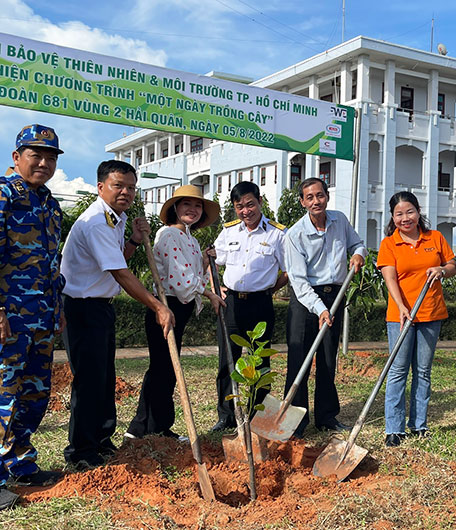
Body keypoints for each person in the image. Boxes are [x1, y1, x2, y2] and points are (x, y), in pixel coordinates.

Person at [0, 124, 66, 511]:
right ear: (16, 157)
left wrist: (56, 311)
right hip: (2, 322)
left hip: (39, 321)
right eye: (35, 155)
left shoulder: (49, 204)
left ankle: (21, 464)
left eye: (50, 157)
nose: (43, 162)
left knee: (34, 399)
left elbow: (51, 265)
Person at [60, 160, 174, 471]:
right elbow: (121, 273)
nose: (126, 192)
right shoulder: (97, 221)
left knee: (104, 377)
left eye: (131, 187)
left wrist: (135, 240)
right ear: (100, 187)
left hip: (100, 308)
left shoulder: (115, 220)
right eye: (118, 186)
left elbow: (115, 259)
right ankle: (81, 451)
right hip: (82, 308)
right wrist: (158, 305)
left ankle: (101, 438)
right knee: (88, 380)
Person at [124, 185, 224, 440]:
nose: (193, 210)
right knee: (163, 368)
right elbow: (181, 282)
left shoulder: (190, 239)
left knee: (165, 368)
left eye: (198, 206)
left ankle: (149, 427)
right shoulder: (168, 234)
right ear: (175, 209)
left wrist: (202, 259)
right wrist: (209, 293)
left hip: (181, 307)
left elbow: (193, 274)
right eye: (186, 205)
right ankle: (147, 427)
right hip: (166, 306)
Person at [283, 177, 366, 437]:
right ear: (302, 202)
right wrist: (319, 309)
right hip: (305, 301)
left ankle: (327, 417)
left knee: (328, 359)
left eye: (320, 195)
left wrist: (358, 255)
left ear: (326, 196)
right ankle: (295, 421)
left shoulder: (339, 220)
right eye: (310, 197)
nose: (316, 201)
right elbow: (298, 281)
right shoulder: (295, 234)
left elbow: (358, 243)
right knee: (300, 359)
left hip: (335, 294)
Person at [377, 192, 456, 447]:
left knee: (423, 371)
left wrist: (442, 270)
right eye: (399, 214)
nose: (405, 218)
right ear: (392, 217)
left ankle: (419, 425)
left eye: (409, 212)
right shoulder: (389, 244)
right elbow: (390, 278)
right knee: (398, 371)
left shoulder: (435, 238)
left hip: (431, 313)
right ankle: (394, 429)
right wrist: (401, 306)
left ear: (418, 211)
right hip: (400, 317)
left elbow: (452, 266)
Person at [210, 181, 288, 432]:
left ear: (260, 202)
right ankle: (226, 416)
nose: (246, 211)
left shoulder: (277, 234)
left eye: (250, 204)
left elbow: (288, 271)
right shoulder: (229, 232)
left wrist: (269, 290)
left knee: (260, 361)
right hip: (230, 303)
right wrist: (215, 289)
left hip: (260, 305)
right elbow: (212, 259)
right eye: (239, 207)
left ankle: (256, 416)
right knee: (227, 361)